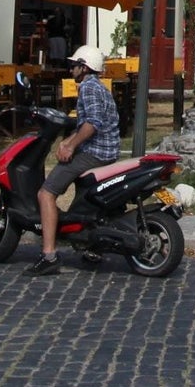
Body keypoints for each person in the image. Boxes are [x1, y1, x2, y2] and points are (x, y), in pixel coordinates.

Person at [28, 44, 120, 276]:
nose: (71, 70)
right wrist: (69, 138)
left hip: (95, 154)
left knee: (46, 193)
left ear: (84, 67)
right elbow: (87, 122)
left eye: (74, 65)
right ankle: (92, 244)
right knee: (84, 197)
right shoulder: (99, 87)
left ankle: (49, 255)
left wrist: (70, 144)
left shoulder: (88, 88)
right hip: (107, 152)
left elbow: (92, 124)